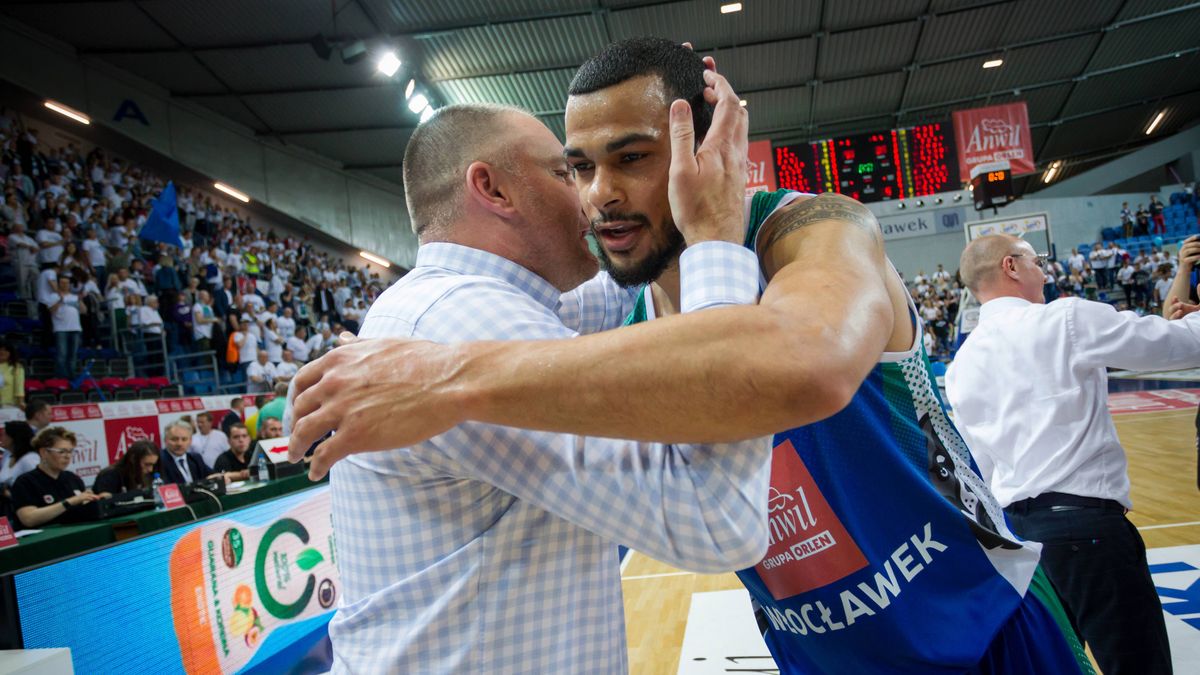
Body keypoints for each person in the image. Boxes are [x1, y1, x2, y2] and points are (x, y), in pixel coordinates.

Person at [287, 39, 1084, 674]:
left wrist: (446, 378)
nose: (598, 193)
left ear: (706, 148)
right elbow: (479, 303)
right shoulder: (618, 303)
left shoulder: (811, 228)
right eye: (579, 166)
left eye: (631, 158)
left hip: (981, 627)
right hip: (820, 653)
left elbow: (799, 363)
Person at [294, 98, 774, 673]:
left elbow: (629, 284)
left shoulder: (493, 302)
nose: (590, 196)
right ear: (492, 190)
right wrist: (716, 239)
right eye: (565, 171)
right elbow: (715, 521)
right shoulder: (462, 319)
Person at [945, 233, 1200, 675]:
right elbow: (1178, 345)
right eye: (1035, 259)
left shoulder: (960, 365)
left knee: (1057, 664)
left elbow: (978, 467)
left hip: (1021, 536)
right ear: (1011, 267)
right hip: (1087, 527)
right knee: (1139, 664)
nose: (1044, 268)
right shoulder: (1065, 319)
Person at [12, 427, 108, 528]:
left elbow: (82, 508)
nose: (67, 456)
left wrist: (96, 500)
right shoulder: (25, 482)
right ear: (43, 452)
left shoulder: (73, 478)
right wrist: (69, 502)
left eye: (70, 451)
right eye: (62, 451)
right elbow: (29, 519)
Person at [158, 420, 220, 486]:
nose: (179, 443)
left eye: (184, 439)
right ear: (165, 440)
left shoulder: (195, 458)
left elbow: (214, 475)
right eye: (174, 439)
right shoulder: (159, 461)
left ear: (190, 441)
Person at [46, 276, 83, 379]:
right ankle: (61, 377)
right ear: (58, 284)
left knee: (73, 355)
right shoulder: (53, 296)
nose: (65, 285)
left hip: (75, 328)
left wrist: (80, 300)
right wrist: (60, 300)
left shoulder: (74, 297)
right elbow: (51, 311)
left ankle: (71, 377)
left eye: (67, 283)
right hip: (61, 329)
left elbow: (84, 310)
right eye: (62, 283)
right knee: (62, 355)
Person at [92, 440, 158, 495]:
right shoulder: (109, 475)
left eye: (153, 465)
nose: (150, 469)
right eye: (147, 464)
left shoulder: (145, 475)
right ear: (133, 459)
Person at [0, 421, 37, 490]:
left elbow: (39, 485)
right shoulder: (9, 457)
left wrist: (7, 493)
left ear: (13, 437)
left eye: (3, 434)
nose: (1, 438)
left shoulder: (30, 459)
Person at [0, 340, 26, 408]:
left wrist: (21, 402)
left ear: (11, 353)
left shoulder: (17, 367)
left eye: (6, 350)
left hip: (9, 405)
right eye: (0, 349)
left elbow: (19, 387)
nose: (2, 352)